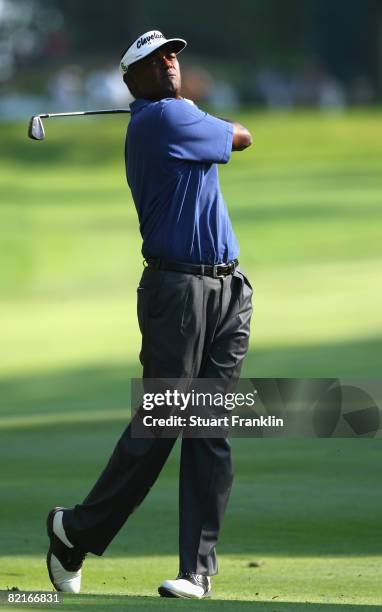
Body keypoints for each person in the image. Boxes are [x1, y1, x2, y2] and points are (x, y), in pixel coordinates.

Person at [46, 30, 253, 600]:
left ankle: (197, 573)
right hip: (177, 292)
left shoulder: (170, 117)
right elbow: (242, 136)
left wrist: (193, 110)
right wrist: (194, 110)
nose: (169, 61)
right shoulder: (162, 120)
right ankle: (73, 530)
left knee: (210, 432)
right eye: (154, 58)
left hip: (229, 287)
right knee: (163, 425)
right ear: (132, 78)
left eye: (173, 55)